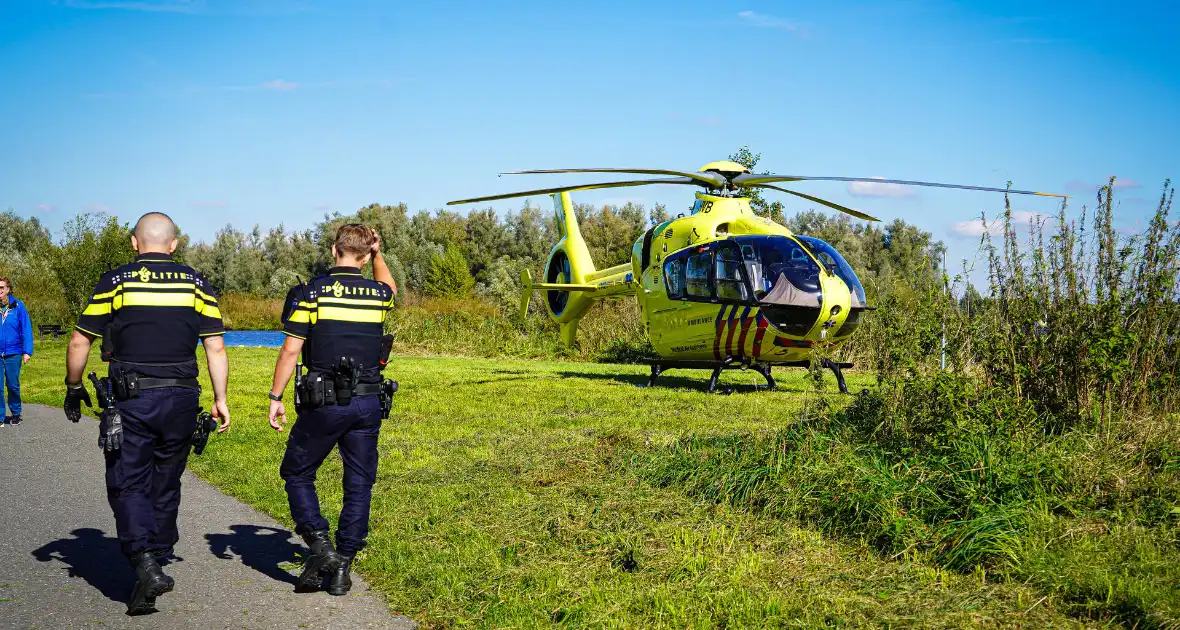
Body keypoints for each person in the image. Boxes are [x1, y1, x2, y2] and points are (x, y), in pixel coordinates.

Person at [63, 212, 231, 616]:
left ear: (135, 243)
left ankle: (143, 561)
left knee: (128, 481)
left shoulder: (116, 282)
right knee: (167, 477)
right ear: (174, 245)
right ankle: (158, 553)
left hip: (132, 399)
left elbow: (79, 340)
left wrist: (73, 386)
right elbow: (216, 347)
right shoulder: (196, 284)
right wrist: (221, 398)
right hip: (182, 398)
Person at [266, 223, 397, 596]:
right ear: (367, 253)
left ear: (333, 250)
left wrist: (276, 398)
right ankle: (344, 565)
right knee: (359, 483)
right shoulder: (377, 295)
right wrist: (379, 253)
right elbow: (391, 288)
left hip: (323, 403)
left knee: (298, 470)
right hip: (368, 402)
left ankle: (321, 545)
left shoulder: (312, 293)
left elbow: (292, 349)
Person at [0, 277, 33, 427]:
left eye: (1, 288)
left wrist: (27, 351)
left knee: (13, 385)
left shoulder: (18, 306)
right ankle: (0, 416)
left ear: (8, 289)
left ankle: (15, 413)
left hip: (13, 353)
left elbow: (26, 329)